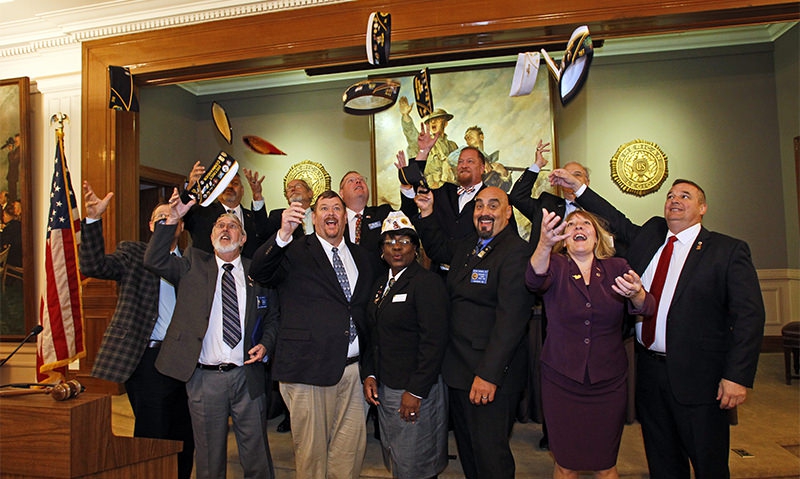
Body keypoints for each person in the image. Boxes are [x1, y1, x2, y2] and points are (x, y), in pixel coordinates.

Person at [551, 173, 766, 479]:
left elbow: (749, 316)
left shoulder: (727, 250)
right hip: (649, 372)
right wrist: (580, 189)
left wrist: (736, 376)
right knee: (662, 460)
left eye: (685, 196)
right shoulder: (651, 235)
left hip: (700, 378)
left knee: (708, 462)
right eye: (670, 196)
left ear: (703, 208)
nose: (675, 200)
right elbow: (615, 218)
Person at [145, 192, 278, 479]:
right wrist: (173, 219)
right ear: (211, 235)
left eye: (233, 226)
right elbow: (155, 259)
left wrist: (266, 345)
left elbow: (273, 318)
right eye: (220, 225)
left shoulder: (258, 272)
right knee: (208, 461)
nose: (226, 230)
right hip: (205, 379)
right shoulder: (192, 264)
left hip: (248, 376)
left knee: (257, 458)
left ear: (243, 239)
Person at [250, 190, 375, 479]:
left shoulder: (362, 257)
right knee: (311, 458)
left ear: (345, 217)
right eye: (324, 209)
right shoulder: (293, 251)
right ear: (313, 216)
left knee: (350, 455)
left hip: (354, 371)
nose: (331, 214)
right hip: (307, 370)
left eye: (336, 209)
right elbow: (259, 271)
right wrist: (283, 233)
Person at [412, 186, 533, 479]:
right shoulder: (469, 246)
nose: (484, 212)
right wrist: (427, 214)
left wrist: (489, 374)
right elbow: (439, 248)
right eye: (479, 206)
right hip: (459, 372)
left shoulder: (516, 251)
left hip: (489, 376)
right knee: (469, 453)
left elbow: (511, 320)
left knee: (491, 457)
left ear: (508, 212)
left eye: (493, 206)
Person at [526, 209, 655, 479]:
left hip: (608, 381)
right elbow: (533, 278)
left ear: (597, 237)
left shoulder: (617, 267)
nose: (578, 227)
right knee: (565, 465)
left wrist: (637, 294)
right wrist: (544, 244)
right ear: (564, 238)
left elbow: (648, 306)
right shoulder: (556, 265)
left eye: (586, 224)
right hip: (561, 379)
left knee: (606, 464)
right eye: (571, 224)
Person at [78, 181, 194, 479]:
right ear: (151, 225)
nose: (166, 222)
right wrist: (92, 220)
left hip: (185, 361)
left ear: (181, 226)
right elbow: (92, 265)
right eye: (160, 219)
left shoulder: (193, 263)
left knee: (185, 433)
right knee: (153, 432)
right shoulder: (132, 253)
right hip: (147, 360)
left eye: (172, 219)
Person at [362, 211, 450, 479]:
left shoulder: (427, 283)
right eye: (389, 241)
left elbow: (434, 341)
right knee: (398, 459)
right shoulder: (381, 285)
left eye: (404, 241)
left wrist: (416, 391)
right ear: (381, 250)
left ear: (415, 247)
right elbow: (374, 334)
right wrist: (371, 373)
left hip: (414, 390)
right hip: (387, 385)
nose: (396, 247)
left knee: (417, 464)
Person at [265, 177, 317, 434]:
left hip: (319, 297)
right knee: (289, 356)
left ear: (311, 193)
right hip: (289, 297)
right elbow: (265, 252)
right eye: (289, 188)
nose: (293, 190)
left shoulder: (322, 215)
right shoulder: (278, 217)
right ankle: (289, 413)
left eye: (298, 187)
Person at [183, 162, 270, 258]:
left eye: (235, 183)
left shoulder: (252, 218)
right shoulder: (202, 212)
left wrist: (257, 195)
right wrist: (190, 189)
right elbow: (181, 215)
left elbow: (264, 234)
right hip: (207, 271)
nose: (229, 186)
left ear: (242, 190)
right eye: (225, 183)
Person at [509, 140, 589, 242]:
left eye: (577, 175)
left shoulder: (598, 208)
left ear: (587, 182)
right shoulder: (547, 205)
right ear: (560, 182)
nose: (570, 178)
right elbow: (517, 197)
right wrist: (537, 165)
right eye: (566, 175)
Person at [339, 170, 394, 276]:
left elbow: (406, 222)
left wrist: (407, 188)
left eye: (361, 180)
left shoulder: (382, 213)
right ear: (341, 193)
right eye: (351, 181)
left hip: (377, 282)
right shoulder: (335, 221)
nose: (358, 182)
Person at [399, 98, 458, 188]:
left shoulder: (453, 145)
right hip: (431, 190)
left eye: (437, 119)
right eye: (431, 121)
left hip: (452, 190)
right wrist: (405, 116)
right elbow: (411, 134)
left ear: (445, 123)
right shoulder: (425, 143)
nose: (433, 122)